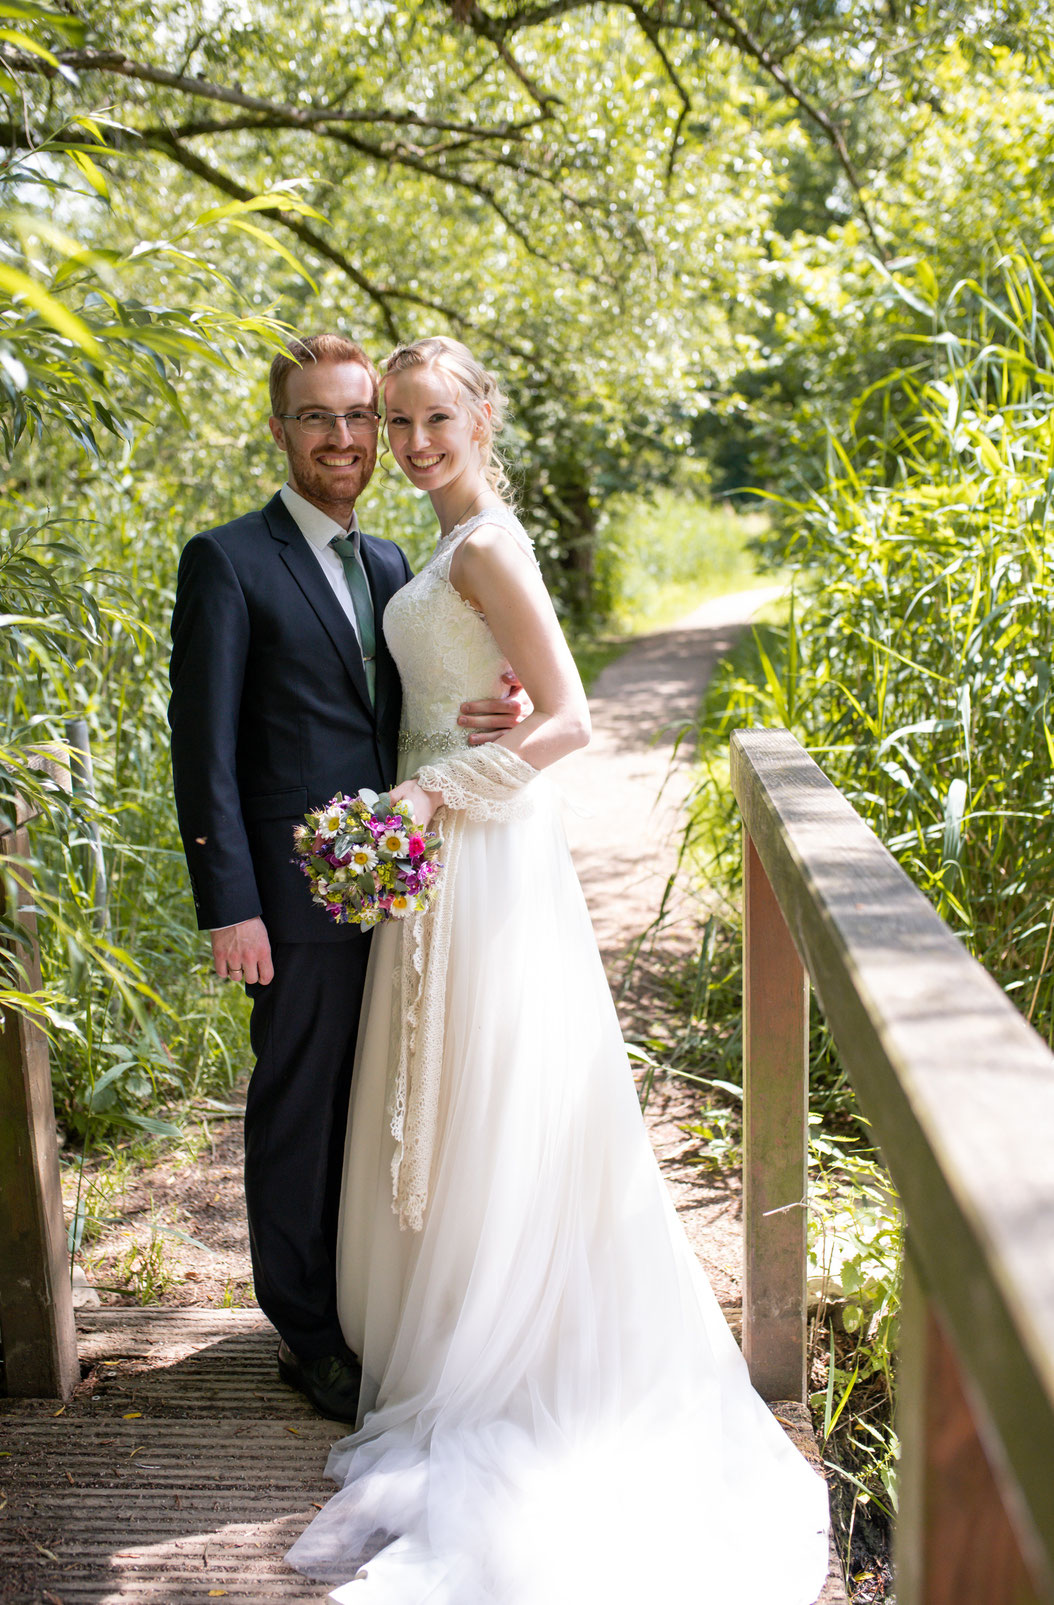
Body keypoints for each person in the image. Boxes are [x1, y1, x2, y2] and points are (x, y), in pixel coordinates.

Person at [285, 336, 830, 1603]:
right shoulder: (442, 544)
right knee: (462, 1091)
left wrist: (431, 786)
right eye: (398, 424)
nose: (413, 444)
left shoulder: (481, 544)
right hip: (448, 851)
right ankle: (450, 1328)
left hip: (476, 847)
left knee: (492, 1087)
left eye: (433, 420)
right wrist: (459, 746)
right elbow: (499, 691)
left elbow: (572, 716)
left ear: (480, 417)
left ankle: (507, 1356)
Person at [168, 335, 521, 1422]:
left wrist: (494, 709)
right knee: (300, 1107)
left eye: (359, 417)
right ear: (280, 433)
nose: (343, 439)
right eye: (316, 418)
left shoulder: (385, 566)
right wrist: (229, 901)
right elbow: (203, 744)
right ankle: (308, 1335)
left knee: (384, 1105)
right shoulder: (226, 560)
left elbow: (420, 704)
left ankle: (374, 1307)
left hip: (409, 884)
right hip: (289, 896)